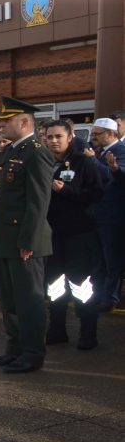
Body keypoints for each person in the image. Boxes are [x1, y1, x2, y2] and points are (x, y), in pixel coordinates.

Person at [0, 97, 54, 373]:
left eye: (6, 122)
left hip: (24, 241)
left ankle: (33, 352)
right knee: (11, 300)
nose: (0, 127)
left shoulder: (36, 152)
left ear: (24, 122)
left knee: (29, 299)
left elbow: (38, 202)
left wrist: (29, 241)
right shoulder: (12, 150)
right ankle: (15, 348)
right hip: (6, 238)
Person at [43, 119, 103, 349]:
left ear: (70, 137)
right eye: (50, 137)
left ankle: (88, 332)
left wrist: (66, 191)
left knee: (81, 285)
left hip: (79, 234)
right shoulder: (44, 162)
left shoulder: (83, 162)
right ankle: (57, 329)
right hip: (52, 234)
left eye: (59, 136)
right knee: (55, 284)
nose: (54, 141)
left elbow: (96, 193)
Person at [86, 117, 125, 312]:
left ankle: (110, 297)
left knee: (112, 260)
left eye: (97, 134)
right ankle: (98, 294)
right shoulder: (99, 152)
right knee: (98, 260)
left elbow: (112, 176)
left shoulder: (121, 151)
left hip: (112, 216)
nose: (93, 138)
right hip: (95, 215)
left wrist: (93, 160)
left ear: (110, 134)